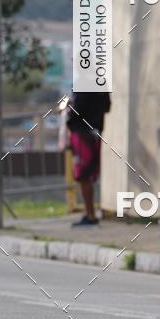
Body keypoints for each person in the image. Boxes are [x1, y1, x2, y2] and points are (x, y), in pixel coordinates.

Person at [66, 91, 111, 227]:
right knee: (90, 174)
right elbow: (107, 106)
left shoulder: (84, 81)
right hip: (96, 131)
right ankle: (90, 213)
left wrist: (69, 114)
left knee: (83, 175)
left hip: (82, 132)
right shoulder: (101, 81)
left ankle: (90, 215)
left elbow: (78, 108)